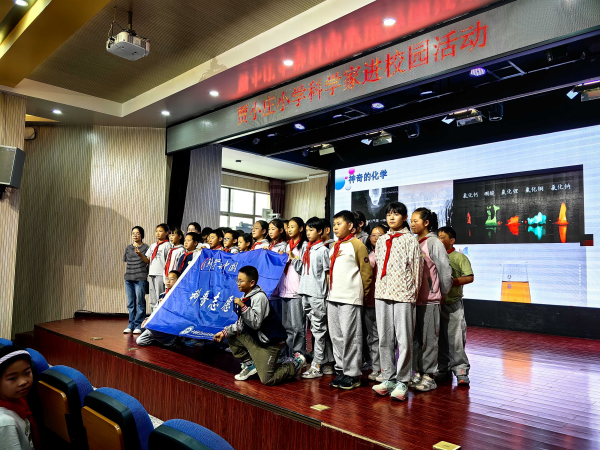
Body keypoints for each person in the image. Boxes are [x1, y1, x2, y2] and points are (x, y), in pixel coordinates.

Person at [212, 266, 307, 385]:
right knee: (230, 334)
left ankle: (295, 364)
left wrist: (243, 306)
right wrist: (224, 332)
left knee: (267, 379)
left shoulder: (259, 297)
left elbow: (255, 324)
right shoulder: (246, 296)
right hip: (258, 340)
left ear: (252, 283)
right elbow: (241, 325)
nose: (238, 283)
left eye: (241, 281)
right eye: (237, 280)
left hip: (271, 344)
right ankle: (249, 365)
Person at [372, 202, 423, 401]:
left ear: (404, 217)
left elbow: (417, 269)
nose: (392, 217)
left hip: (403, 294)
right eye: (389, 214)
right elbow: (378, 266)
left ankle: (402, 380)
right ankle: (388, 378)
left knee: (404, 340)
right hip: (382, 293)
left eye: (396, 214)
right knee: (384, 339)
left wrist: (412, 293)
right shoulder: (382, 240)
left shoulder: (410, 240)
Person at [409, 208, 452, 392]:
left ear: (426, 223)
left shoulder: (434, 243)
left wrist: (442, 292)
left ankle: (429, 376)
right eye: (411, 221)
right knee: (415, 339)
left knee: (429, 339)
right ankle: (418, 372)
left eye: (416, 221)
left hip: (430, 299)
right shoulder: (412, 242)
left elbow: (444, 270)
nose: (412, 224)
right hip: (412, 299)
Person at [327, 211, 372, 390]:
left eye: (339, 223)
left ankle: (353, 374)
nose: (335, 227)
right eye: (334, 224)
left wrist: (362, 296)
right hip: (333, 297)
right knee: (336, 336)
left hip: (350, 298)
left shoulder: (357, 245)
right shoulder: (334, 246)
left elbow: (366, 274)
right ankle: (341, 370)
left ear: (351, 226)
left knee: (351, 337)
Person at [292, 217, 334, 378]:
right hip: (305, 292)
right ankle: (323, 361)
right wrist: (293, 259)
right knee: (314, 330)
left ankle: (317, 365)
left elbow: (327, 274)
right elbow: (302, 269)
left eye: (312, 230)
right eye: (307, 230)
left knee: (319, 330)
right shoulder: (306, 247)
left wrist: (327, 294)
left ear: (320, 231)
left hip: (317, 294)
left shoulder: (323, 250)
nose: (308, 233)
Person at [437, 226, 473, 385]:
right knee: (439, 340)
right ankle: (442, 369)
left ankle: (461, 372)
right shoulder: (433, 256)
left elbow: (469, 277)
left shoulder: (459, 257)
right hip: (436, 305)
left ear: (452, 241)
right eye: (438, 237)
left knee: (456, 340)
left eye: (442, 237)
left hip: (453, 304)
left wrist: (450, 282)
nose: (439, 240)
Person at [273, 217, 306, 359]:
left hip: (296, 291)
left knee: (297, 327)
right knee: (286, 327)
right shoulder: (287, 246)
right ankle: (288, 355)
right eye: (289, 227)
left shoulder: (304, 246)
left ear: (301, 228)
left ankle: (299, 356)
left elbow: (304, 268)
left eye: (293, 227)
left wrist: (293, 257)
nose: (290, 230)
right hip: (284, 290)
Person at [0, 347, 40, 450]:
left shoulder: (19, 401)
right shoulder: (6, 423)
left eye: (27, 373)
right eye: (12, 378)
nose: (23, 382)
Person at [364, 224, 388, 382]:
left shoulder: (389, 254)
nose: (376, 237)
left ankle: (386, 369)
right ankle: (376, 367)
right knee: (372, 337)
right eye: (373, 235)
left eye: (380, 234)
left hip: (383, 302)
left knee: (385, 338)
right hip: (369, 302)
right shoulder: (369, 255)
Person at [137, 271, 182, 348]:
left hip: (170, 324)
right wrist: (147, 319)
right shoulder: (162, 295)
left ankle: (170, 339)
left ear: (178, 280)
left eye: (172, 279)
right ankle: (166, 341)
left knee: (152, 332)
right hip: (160, 323)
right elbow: (155, 312)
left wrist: (165, 305)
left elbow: (178, 314)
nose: (168, 281)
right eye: (167, 278)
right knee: (140, 341)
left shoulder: (181, 296)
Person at [136, 223, 172, 314]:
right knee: (152, 298)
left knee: (160, 296)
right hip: (152, 273)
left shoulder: (168, 245)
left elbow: (169, 261)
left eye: (160, 231)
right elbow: (147, 260)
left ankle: (160, 316)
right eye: (156, 231)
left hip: (161, 274)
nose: (157, 233)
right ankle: (152, 316)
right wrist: (140, 254)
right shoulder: (153, 245)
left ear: (166, 233)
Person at [123, 226, 149, 334]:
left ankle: (139, 324)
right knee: (130, 303)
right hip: (128, 278)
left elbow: (147, 261)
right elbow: (126, 261)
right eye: (133, 233)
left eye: (137, 233)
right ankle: (131, 324)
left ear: (141, 235)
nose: (135, 235)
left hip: (140, 278)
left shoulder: (146, 247)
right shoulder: (128, 248)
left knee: (140, 302)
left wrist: (140, 254)